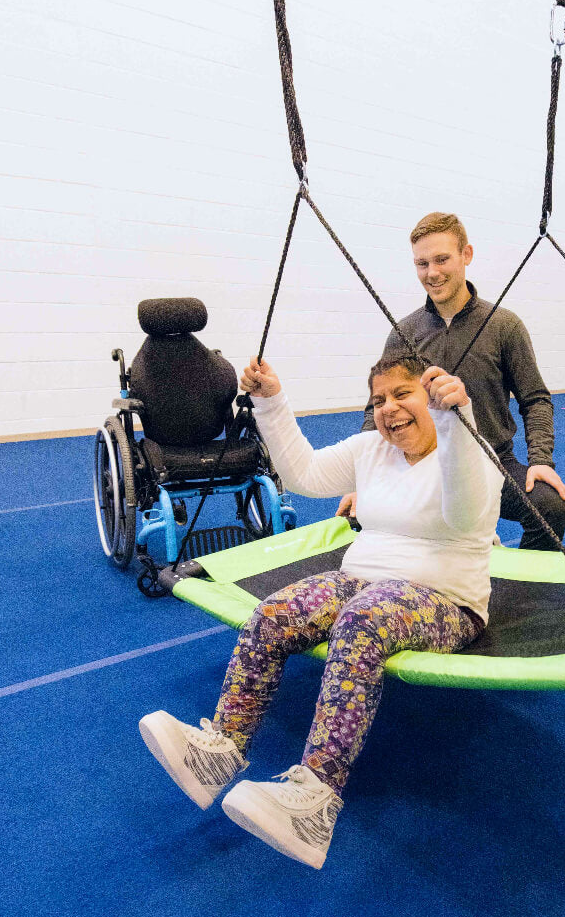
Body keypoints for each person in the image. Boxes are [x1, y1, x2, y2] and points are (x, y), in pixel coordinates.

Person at [139, 354, 502, 870]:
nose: (388, 409)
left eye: (402, 394)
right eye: (378, 400)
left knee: (362, 621)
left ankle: (316, 801)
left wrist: (453, 421)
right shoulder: (372, 450)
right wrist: (271, 401)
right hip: (364, 580)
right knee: (274, 613)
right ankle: (218, 751)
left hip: (446, 599)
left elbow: (464, 513)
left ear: (433, 393)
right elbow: (304, 473)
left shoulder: (471, 453)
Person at [337, 211, 565, 550]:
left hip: (490, 465)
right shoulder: (405, 332)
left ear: (466, 255)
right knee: (357, 514)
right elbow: (377, 407)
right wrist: (362, 479)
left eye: (442, 259)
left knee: (550, 506)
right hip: (417, 464)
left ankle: (520, 600)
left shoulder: (504, 326)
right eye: (422, 263)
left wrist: (541, 462)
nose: (432, 273)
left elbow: (535, 400)